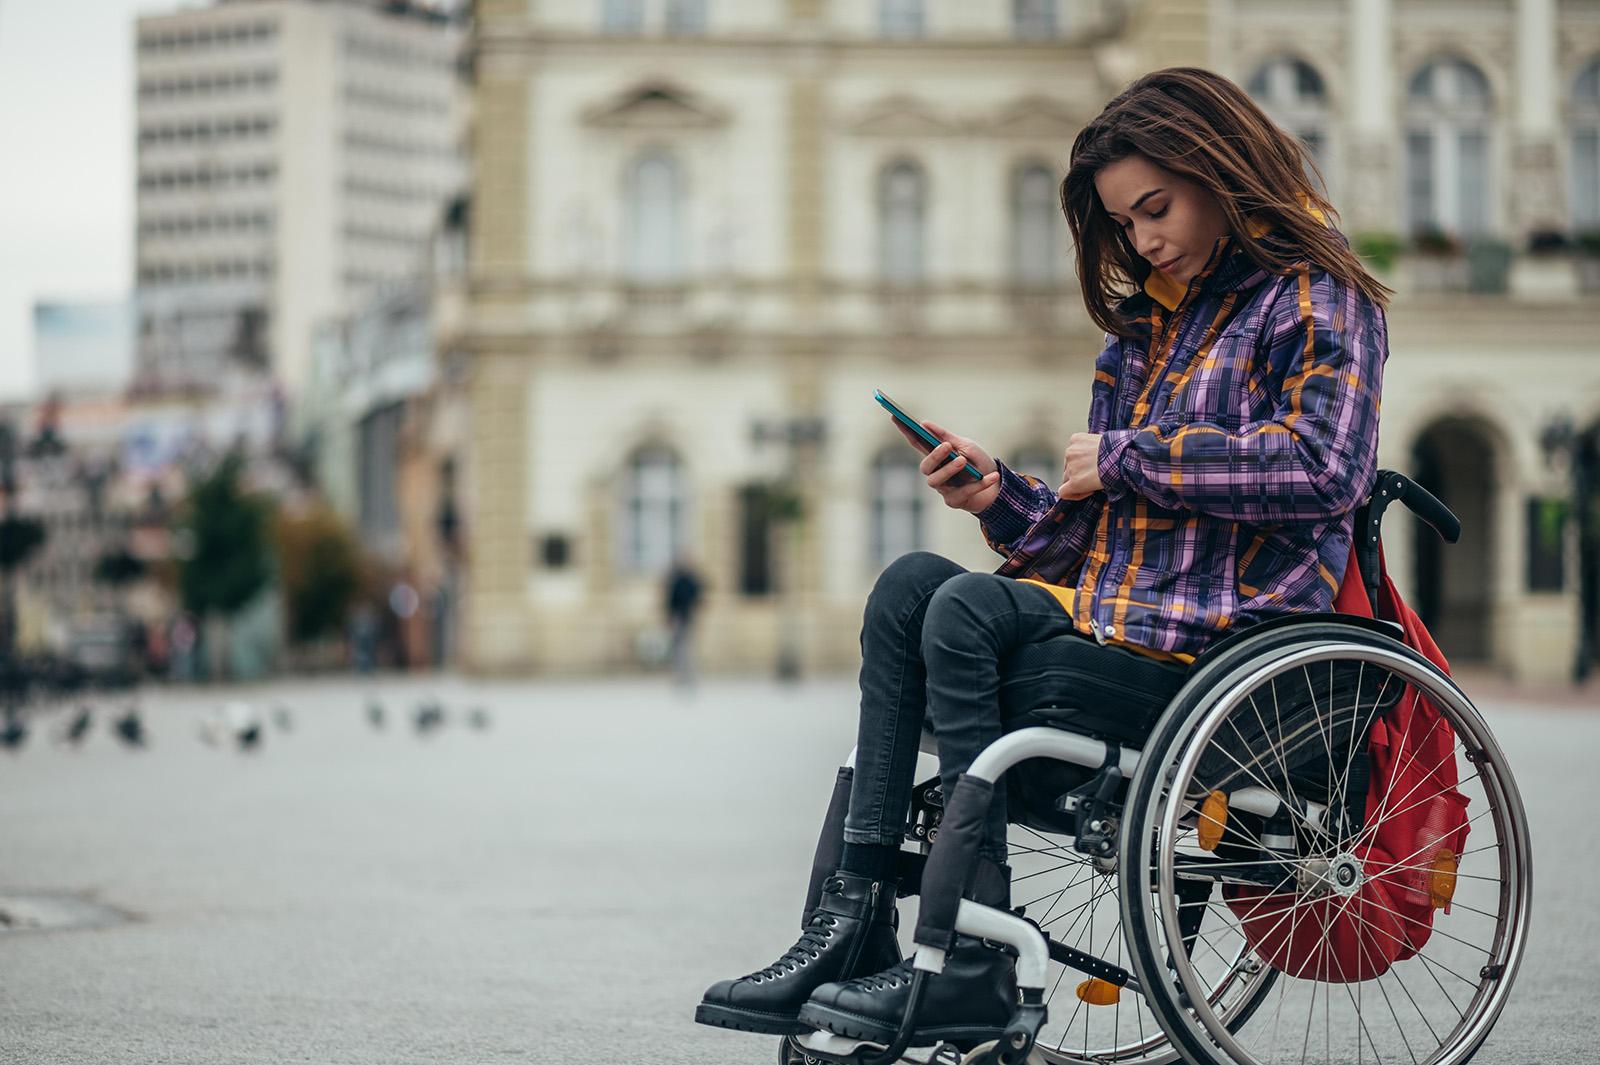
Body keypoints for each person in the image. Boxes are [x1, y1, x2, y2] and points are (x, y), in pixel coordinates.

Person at [695, 67, 1391, 1051]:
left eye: (1155, 209)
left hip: (1225, 662)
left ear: (1221, 168)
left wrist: (1127, 456)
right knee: (909, 590)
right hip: (1123, 630)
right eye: (1125, 225)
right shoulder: (1140, 339)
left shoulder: (1314, 300)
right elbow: (1094, 537)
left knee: (967, 614)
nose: (1144, 240)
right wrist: (1001, 498)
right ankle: (848, 928)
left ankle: (967, 959)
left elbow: (1327, 471)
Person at [664, 553, 705, 689]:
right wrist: (670, 617)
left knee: (688, 648)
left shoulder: (691, 580)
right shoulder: (677, 580)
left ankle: (689, 675)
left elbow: (699, 597)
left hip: (689, 617)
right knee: (679, 648)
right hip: (679, 617)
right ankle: (680, 675)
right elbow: (671, 601)